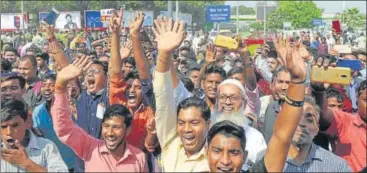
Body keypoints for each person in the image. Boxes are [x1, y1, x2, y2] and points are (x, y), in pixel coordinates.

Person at [207, 37, 309, 172]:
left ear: (245, 157)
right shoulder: (204, 131)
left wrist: (297, 81)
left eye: (234, 152)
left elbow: (282, 138)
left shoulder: (255, 139)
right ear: (205, 153)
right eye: (217, 151)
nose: (225, 161)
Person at [153, 16, 212, 172]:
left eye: (194, 123)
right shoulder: (171, 141)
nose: (186, 129)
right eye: (181, 123)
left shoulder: (216, 159)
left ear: (208, 124)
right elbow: (163, 96)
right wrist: (164, 54)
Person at [1, 99, 68, 172]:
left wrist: (27, 163)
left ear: (27, 122)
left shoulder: (46, 147)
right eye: (3, 126)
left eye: (15, 125)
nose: (9, 132)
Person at [32, 74, 76, 171]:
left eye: (52, 85)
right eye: (43, 85)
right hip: (52, 164)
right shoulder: (37, 112)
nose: (47, 88)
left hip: (73, 162)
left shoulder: (71, 109)